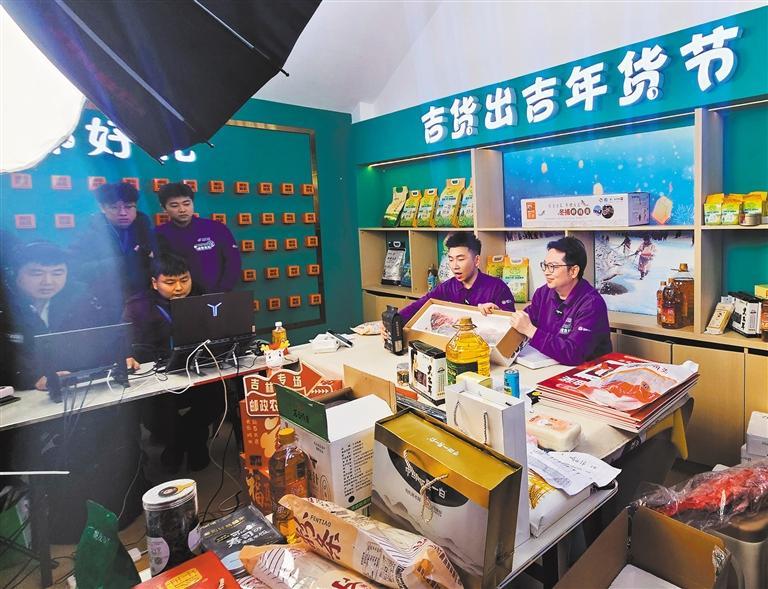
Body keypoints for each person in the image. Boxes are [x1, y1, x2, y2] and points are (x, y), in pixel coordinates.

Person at [123, 253, 222, 471]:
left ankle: (187, 442)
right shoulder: (138, 307)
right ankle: (187, 443)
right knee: (156, 416)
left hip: (197, 369)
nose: (179, 288)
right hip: (157, 377)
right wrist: (128, 356)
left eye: (184, 280)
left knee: (217, 400)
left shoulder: (203, 297)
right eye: (169, 282)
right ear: (154, 283)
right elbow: (126, 343)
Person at [2, 241, 109, 390]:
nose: (48, 282)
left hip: (72, 389)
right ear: (14, 273)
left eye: (57, 273)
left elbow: (98, 344)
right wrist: (31, 380)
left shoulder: (79, 300)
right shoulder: (5, 308)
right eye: (37, 273)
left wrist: (118, 358)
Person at [509, 236, 611, 366]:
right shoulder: (543, 293)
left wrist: (530, 330)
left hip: (586, 371)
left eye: (553, 266)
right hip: (548, 366)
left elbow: (574, 353)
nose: (546, 272)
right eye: (545, 265)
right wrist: (497, 313)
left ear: (573, 271)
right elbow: (523, 322)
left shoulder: (592, 304)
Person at [69, 182, 157, 320]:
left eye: (129, 207)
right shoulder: (88, 235)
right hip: (105, 304)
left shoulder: (148, 232)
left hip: (145, 303)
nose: (122, 213)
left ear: (136, 206)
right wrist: (126, 260)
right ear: (102, 208)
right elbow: (78, 270)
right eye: (114, 208)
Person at [398, 232, 515, 322]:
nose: (455, 266)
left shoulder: (498, 288)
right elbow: (420, 305)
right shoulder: (446, 288)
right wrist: (395, 320)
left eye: (460, 259)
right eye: (451, 259)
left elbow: (511, 323)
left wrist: (497, 312)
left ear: (477, 260)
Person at [155, 182, 241, 293]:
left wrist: (223, 290)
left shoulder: (216, 228)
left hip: (218, 294)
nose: (182, 209)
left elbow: (233, 262)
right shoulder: (158, 234)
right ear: (163, 208)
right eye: (174, 206)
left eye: (187, 204)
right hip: (179, 296)